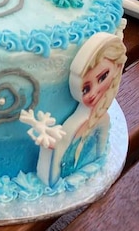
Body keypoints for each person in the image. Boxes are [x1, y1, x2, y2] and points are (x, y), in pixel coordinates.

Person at [38, 32, 126, 185]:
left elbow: (99, 156)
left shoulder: (101, 121)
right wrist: (48, 151)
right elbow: (51, 178)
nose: (94, 93)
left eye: (103, 77)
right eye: (85, 89)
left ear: (117, 67)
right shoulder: (72, 127)